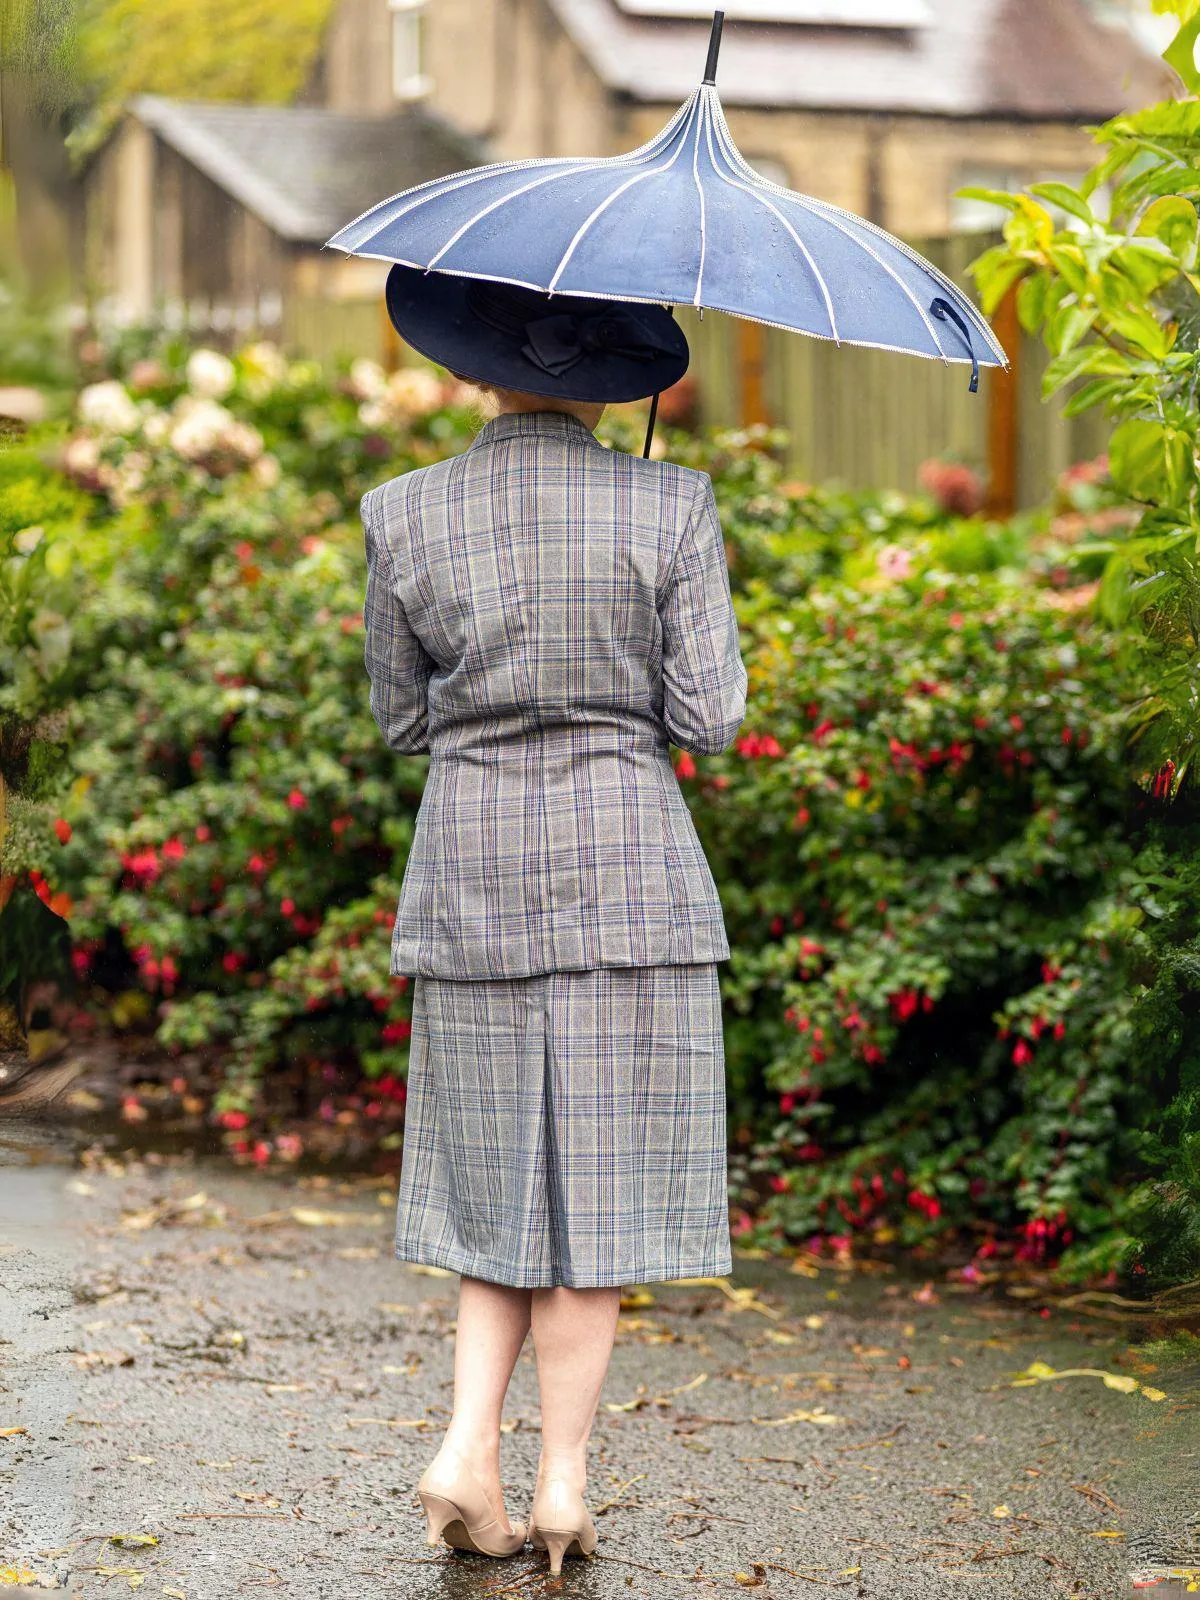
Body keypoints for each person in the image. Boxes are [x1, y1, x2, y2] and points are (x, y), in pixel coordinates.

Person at [359, 264, 748, 1574]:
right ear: (614, 379)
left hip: (471, 876)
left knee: (494, 1182)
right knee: (602, 1192)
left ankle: (468, 1446)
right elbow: (709, 719)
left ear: (477, 366)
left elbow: (403, 718)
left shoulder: (402, 514)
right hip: (629, 880)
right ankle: (565, 1482)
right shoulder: (675, 503)